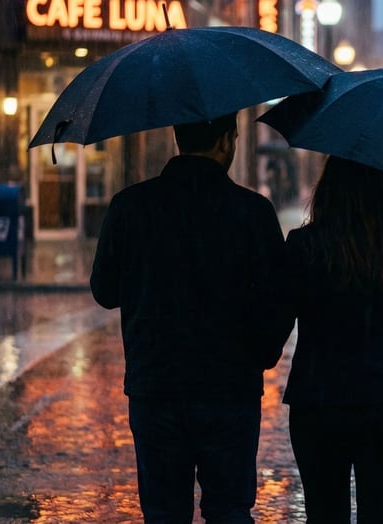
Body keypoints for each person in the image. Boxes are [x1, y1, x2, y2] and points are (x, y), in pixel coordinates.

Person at [90, 111, 293, 523]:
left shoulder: (130, 206)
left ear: (178, 138)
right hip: (229, 389)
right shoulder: (252, 212)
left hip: (156, 386)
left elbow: (105, 291)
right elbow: (279, 301)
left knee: (164, 512)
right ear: (226, 141)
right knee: (229, 509)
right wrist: (260, 355)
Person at [283, 156, 383, 523]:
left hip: (319, 402)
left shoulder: (304, 244)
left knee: (323, 513)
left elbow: (280, 314)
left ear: (329, 190)